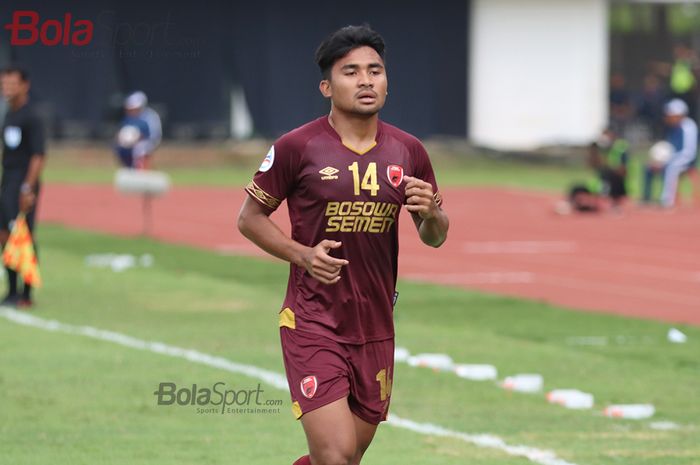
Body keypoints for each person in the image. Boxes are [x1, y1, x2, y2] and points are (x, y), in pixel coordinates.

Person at [237, 25, 449, 465]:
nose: (366, 80)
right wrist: (303, 255)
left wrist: (432, 213)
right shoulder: (298, 147)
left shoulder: (409, 151)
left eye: (375, 71)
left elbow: (435, 237)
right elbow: (250, 219)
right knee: (335, 455)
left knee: (346, 458)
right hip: (313, 321)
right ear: (326, 86)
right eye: (351, 72)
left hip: (375, 324)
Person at [0, 65, 46, 308]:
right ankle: (11, 290)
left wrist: (28, 188)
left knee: (24, 235)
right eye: (3, 84)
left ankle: (27, 294)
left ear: (24, 85)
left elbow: (38, 155)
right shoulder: (9, 114)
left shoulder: (32, 116)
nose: (6, 88)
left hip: (23, 182)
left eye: (11, 84)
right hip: (7, 180)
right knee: (5, 235)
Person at [642, 99, 698, 208]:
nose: (668, 117)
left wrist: (668, 160)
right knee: (649, 167)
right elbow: (668, 147)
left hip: (687, 159)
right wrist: (658, 160)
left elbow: (689, 151)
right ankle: (646, 198)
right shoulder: (672, 127)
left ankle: (667, 200)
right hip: (673, 158)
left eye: (671, 115)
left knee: (671, 167)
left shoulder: (688, 127)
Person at [114, 91, 161, 169]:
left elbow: (154, 135)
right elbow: (122, 131)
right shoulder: (128, 118)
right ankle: (128, 168)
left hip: (147, 141)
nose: (132, 110)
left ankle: (142, 169)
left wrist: (139, 138)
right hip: (130, 143)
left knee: (140, 148)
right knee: (120, 148)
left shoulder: (150, 117)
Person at [589, 127, 629, 211]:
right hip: (608, 171)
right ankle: (599, 201)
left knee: (611, 178)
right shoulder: (604, 147)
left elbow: (623, 165)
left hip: (619, 173)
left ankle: (612, 201)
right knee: (602, 176)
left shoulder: (620, 146)